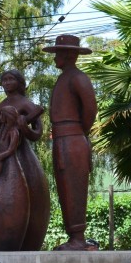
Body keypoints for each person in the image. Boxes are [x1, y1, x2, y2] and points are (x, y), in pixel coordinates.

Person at [44, 34, 98, 251]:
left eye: (58, 53)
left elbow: (90, 109)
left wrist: (78, 132)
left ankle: (78, 237)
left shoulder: (78, 78)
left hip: (72, 139)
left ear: (68, 55)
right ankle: (73, 236)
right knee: (65, 188)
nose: (55, 57)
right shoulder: (64, 78)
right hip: (62, 139)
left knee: (74, 187)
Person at [0, 70, 50, 251]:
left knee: (33, 193)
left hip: (24, 156)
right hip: (5, 157)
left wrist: (24, 128)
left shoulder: (26, 104)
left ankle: (31, 242)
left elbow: (37, 133)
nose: (7, 83)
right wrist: (4, 135)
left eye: (11, 79)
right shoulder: (1, 106)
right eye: (4, 80)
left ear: (19, 82)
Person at [0, 105, 30, 251]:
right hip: (0, 168)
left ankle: (12, 242)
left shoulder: (14, 131)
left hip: (11, 166)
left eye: (2, 115)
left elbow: (11, 149)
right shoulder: (3, 131)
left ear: (7, 116)